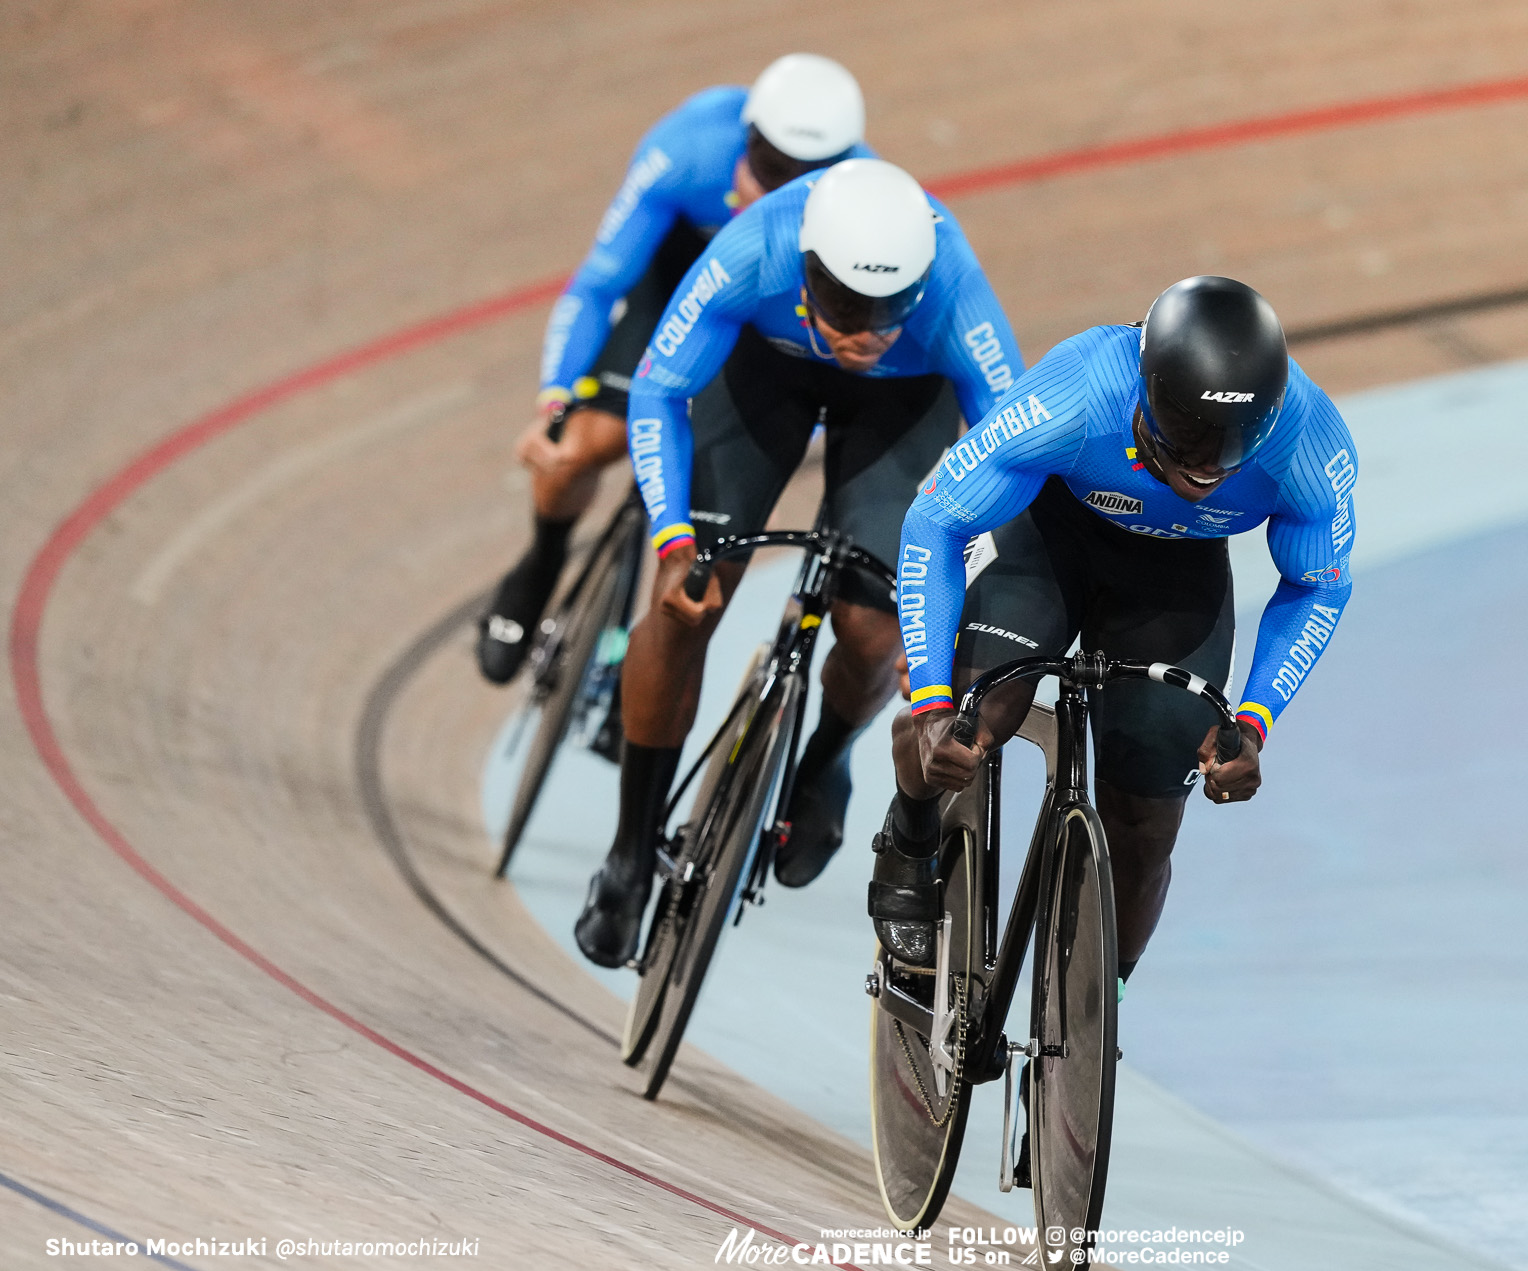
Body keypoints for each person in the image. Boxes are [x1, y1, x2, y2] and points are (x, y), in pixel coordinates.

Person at [573, 158, 1026, 967]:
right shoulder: (755, 249)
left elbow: (1010, 448)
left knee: (871, 626)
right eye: (844, 306)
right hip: (762, 375)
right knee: (685, 605)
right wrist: (675, 538)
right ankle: (630, 850)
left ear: (920, 288)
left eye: (885, 312)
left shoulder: (956, 286)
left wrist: (979, 573)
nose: (859, 333)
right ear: (807, 268)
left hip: (899, 405)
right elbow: (657, 392)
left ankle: (824, 760)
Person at [868, 276, 1357, 981]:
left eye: (1236, 439)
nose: (1207, 462)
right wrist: (934, 698)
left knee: (1148, 814)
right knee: (976, 719)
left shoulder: (1307, 440)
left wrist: (1254, 720)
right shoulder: (1079, 393)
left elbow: (1319, 584)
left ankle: (1099, 1000)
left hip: (1173, 580)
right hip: (1048, 539)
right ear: (1146, 389)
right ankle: (912, 837)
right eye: (1190, 430)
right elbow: (936, 520)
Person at [478, 53, 872, 684]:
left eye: (808, 177)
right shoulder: (688, 151)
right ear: (746, 139)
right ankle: (542, 562)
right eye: (772, 168)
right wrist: (555, 400)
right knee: (579, 448)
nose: (782, 191)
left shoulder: (865, 197)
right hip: (679, 283)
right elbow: (599, 285)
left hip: (769, 314)